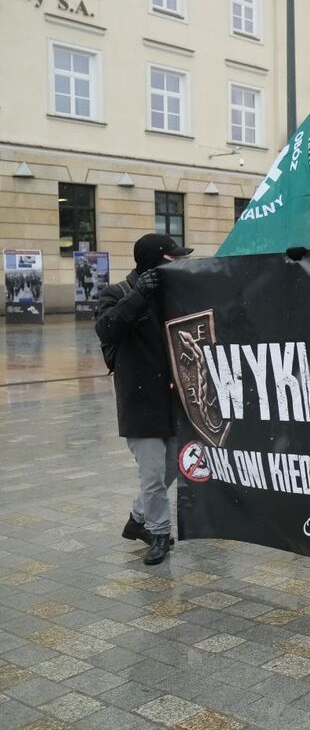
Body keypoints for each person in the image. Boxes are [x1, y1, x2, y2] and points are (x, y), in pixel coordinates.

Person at [95, 233, 193, 566]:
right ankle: (159, 534)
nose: (177, 263)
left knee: (171, 467)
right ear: (154, 261)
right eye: (172, 257)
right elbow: (106, 328)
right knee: (151, 474)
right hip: (138, 402)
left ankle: (138, 518)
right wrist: (139, 295)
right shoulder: (118, 293)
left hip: (172, 399)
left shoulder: (174, 294)